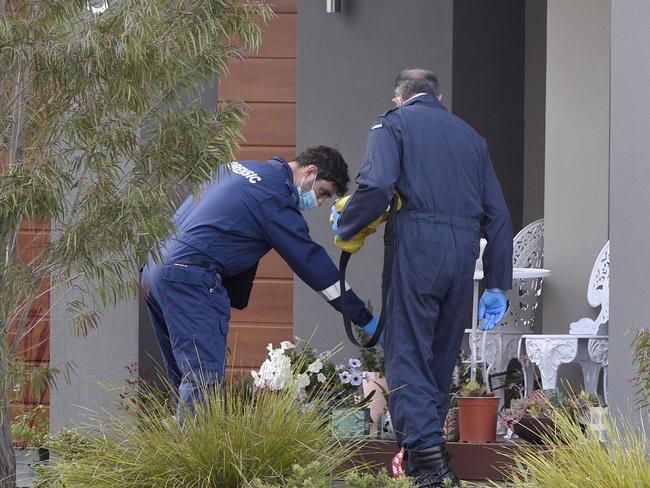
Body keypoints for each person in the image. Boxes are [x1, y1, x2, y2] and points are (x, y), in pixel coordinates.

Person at [331, 70, 513, 487]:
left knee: (407, 351)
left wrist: (347, 225)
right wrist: (497, 283)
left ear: (399, 99)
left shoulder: (392, 124)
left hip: (417, 245)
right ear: (438, 96)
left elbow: (376, 185)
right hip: (464, 251)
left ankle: (431, 466)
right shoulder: (472, 138)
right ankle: (422, 461)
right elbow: (498, 217)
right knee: (440, 354)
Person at [141, 146, 379, 413]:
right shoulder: (274, 198)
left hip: (156, 269)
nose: (320, 202)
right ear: (310, 172)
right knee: (202, 380)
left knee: (185, 380)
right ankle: (192, 455)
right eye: (323, 192)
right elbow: (313, 264)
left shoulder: (238, 168)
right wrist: (364, 319)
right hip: (190, 277)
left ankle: (177, 447)